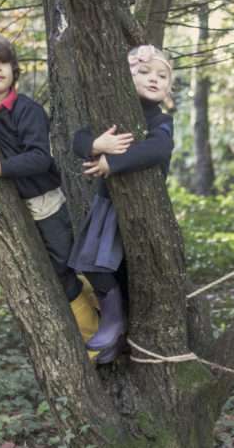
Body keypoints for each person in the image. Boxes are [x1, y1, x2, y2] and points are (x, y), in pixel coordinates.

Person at [0, 32, 99, 344]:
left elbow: (38, 159)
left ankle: (95, 335)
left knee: (63, 270)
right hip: (16, 205)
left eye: (4, 62)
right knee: (48, 272)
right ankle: (90, 316)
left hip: (45, 203)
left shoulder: (27, 109)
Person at [69, 45, 174, 364]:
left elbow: (159, 148)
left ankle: (119, 329)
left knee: (127, 270)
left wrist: (113, 164)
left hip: (139, 210)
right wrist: (97, 144)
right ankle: (112, 319)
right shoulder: (111, 115)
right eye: (144, 72)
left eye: (162, 75)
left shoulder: (160, 120)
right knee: (90, 263)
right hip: (106, 204)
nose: (154, 79)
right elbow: (79, 139)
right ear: (125, 79)